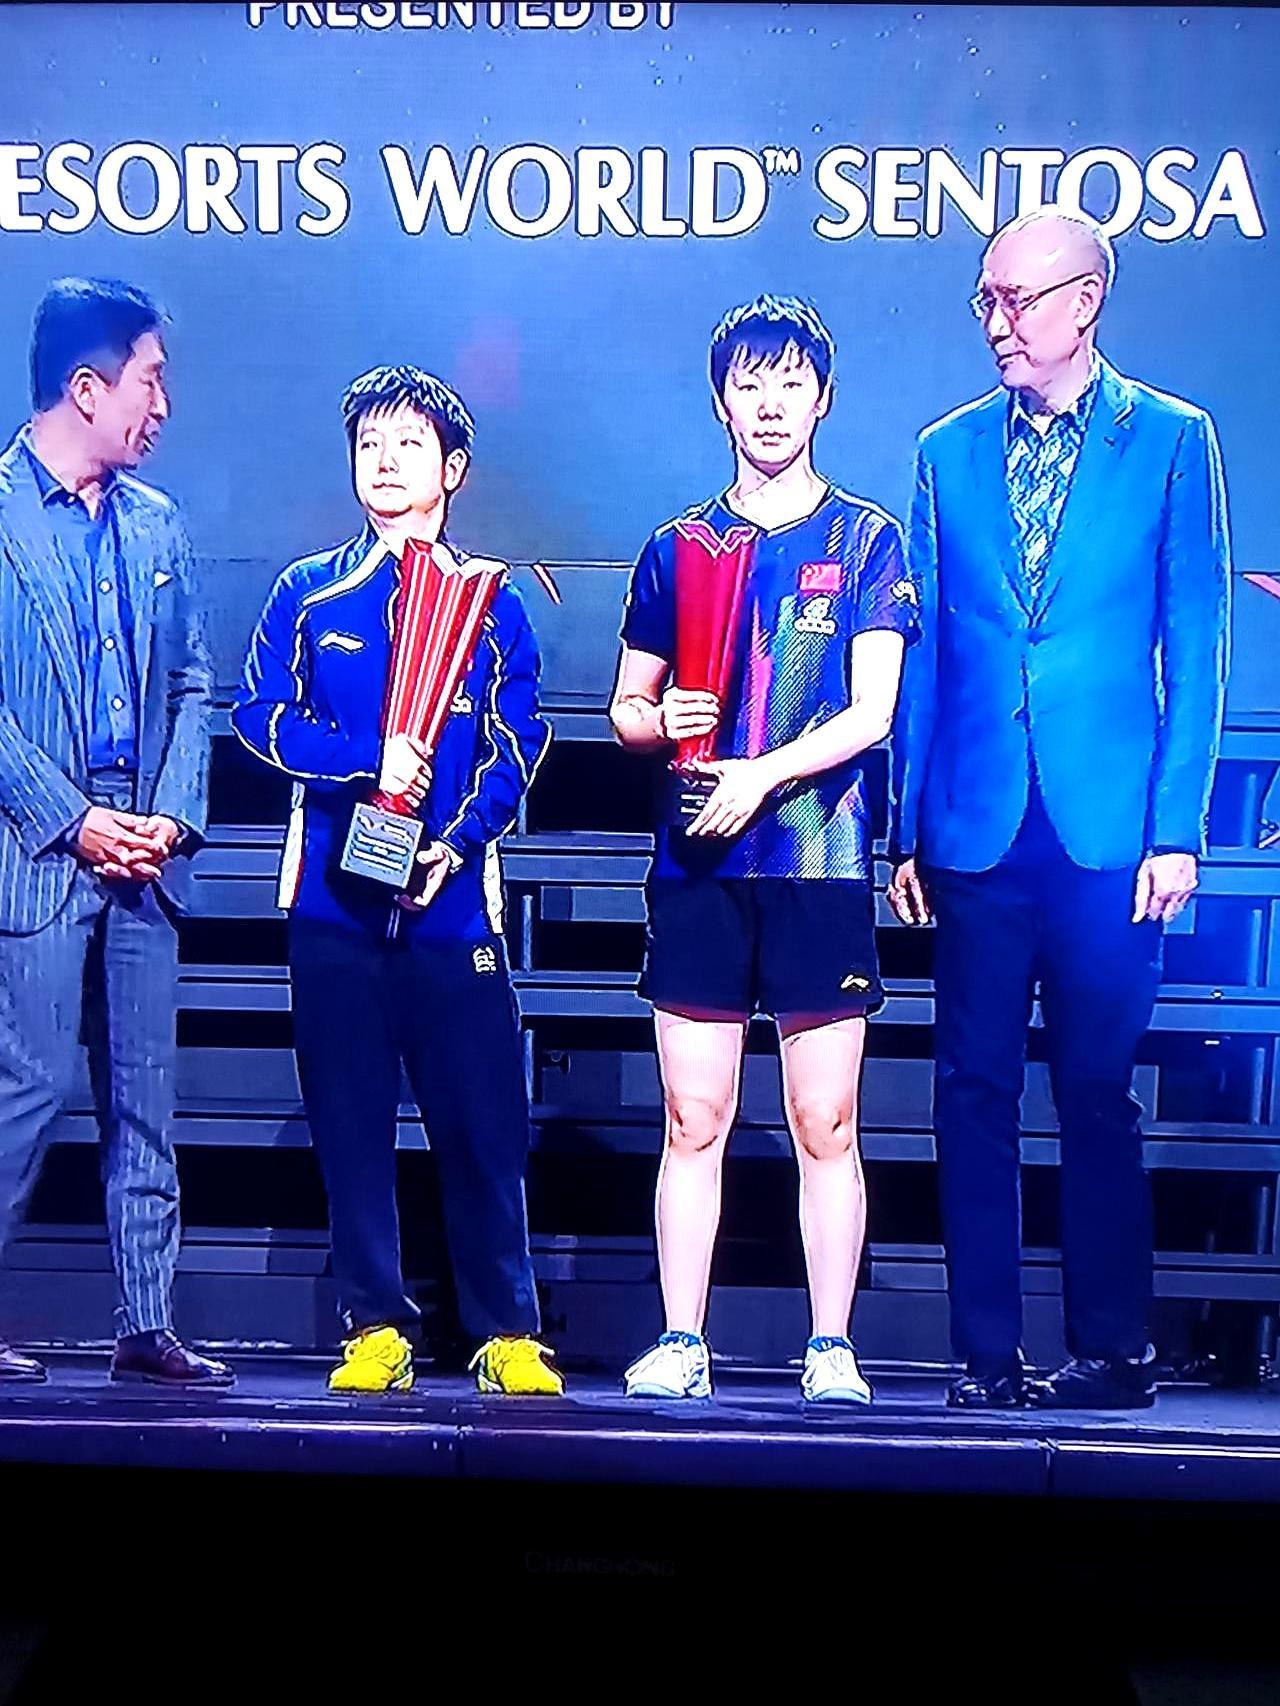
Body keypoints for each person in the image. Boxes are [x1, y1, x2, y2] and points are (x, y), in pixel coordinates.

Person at [889, 209, 1231, 1410]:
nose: (995, 322)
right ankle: (984, 1356)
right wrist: (904, 825)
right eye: (983, 299)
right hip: (974, 823)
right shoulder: (943, 451)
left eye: (1015, 299)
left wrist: (1175, 830)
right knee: (969, 1092)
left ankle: (1112, 1349)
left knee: (1094, 1092)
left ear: (1083, 302)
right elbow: (924, 656)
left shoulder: (1171, 439)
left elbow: (1195, 642)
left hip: (1106, 833)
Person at [233, 364, 562, 1397]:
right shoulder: (307, 591)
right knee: (349, 1121)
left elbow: (518, 738)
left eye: (408, 445)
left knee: (484, 1125)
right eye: (369, 445)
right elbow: (259, 716)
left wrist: (457, 841)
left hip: (451, 905)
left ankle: (506, 1329)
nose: (384, 463)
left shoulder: (492, 600)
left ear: (451, 468)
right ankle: (375, 1323)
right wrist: (363, 758)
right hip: (333, 905)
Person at [611, 295, 916, 1404]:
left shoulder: (865, 540)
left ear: (823, 398)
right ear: (721, 402)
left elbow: (871, 711)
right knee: (691, 1117)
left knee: (822, 1119)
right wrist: (661, 720)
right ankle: (680, 1339)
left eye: (791, 382)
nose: (771, 403)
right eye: (750, 383)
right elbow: (627, 708)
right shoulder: (677, 546)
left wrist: (761, 773)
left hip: (816, 860)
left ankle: (830, 1344)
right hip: (699, 864)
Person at [0, 277, 229, 1387]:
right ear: (86, 388)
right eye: (150, 381)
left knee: (147, 1099)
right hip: (39, 850)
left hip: (145, 853)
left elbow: (191, 681)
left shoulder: (156, 522)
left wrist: (169, 817)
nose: (162, 406)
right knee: (29, 1088)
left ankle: (147, 1321)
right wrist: (76, 819)